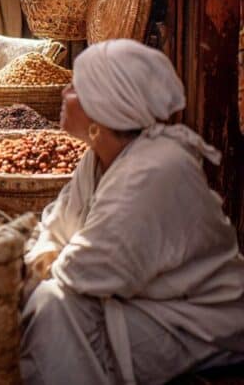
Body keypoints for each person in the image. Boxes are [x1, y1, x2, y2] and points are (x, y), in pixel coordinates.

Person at [20, 39, 244, 385]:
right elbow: (54, 225)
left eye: (77, 88)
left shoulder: (155, 170)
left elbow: (91, 270)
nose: (65, 91)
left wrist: (44, 264)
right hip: (139, 302)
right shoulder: (97, 159)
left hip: (195, 319)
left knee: (52, 308)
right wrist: (46, 257)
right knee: (52, 304)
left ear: (103, 106)